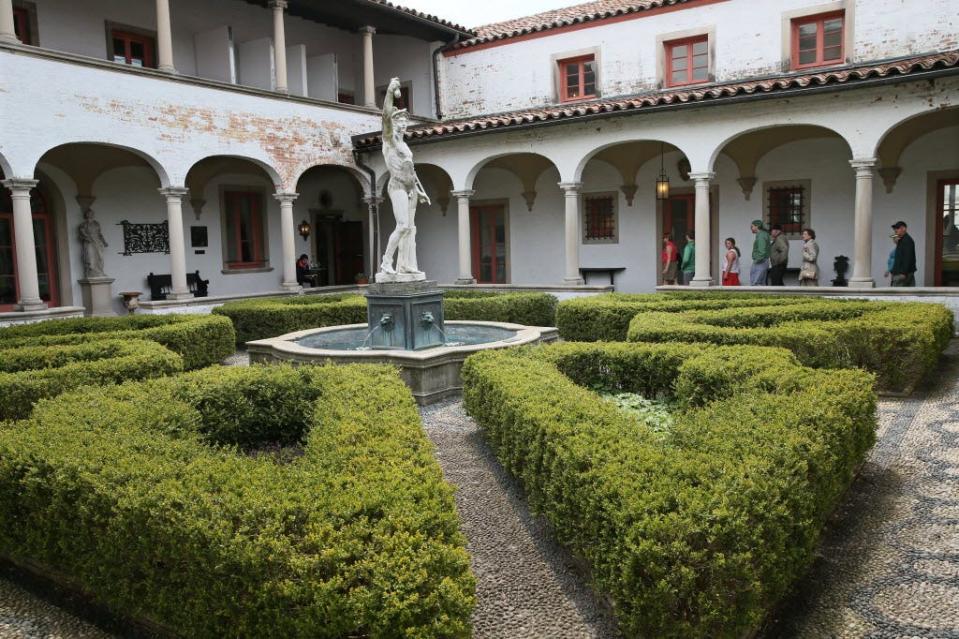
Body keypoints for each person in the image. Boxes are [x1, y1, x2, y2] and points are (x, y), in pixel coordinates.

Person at [379, 77, 430, 278]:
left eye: (404, 123)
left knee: (410, 229)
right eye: (399, 122)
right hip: (397, 186)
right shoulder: (389, 141)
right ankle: (386, 262)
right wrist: (390, 92)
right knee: (402, 226)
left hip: (410, 188)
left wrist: (419, 191)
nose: (403, 126)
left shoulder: (405, 145)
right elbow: (384, 117)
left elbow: (411, 171)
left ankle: (406, 264)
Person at [78, 209, 108, 278]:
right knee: (90, 258)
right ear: (86, 215)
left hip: (97, 242)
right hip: (89, 243)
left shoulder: (96, 224)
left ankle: (100, 272)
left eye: (91, 213)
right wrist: (86, 238)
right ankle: (90, 273)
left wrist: (104, 242)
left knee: (100, 257)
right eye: (88, 213)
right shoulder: (83, 225)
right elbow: (81, 235)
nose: (90, 215)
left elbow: (100, 234)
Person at [889, 221, 917, 286]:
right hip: (902, 272)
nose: (895, 230)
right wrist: (895, 236)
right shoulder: (901, 238)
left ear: (904, 229)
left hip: (902, 273)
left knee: (897, 294)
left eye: (897, 228)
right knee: (908, 293)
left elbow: (908, 258)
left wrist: (904, 273)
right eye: (895, 229)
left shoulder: (907, 241)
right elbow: (891, 236)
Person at [750, 219, 771, 286]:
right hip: (763, 260)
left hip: (760, 261)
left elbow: (762, 251)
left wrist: (757, 260)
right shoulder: (763, 234)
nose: (751, 228)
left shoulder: (761, 235)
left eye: (752, 226)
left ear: (757, 226)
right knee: (760, 282)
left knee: (756, 283)